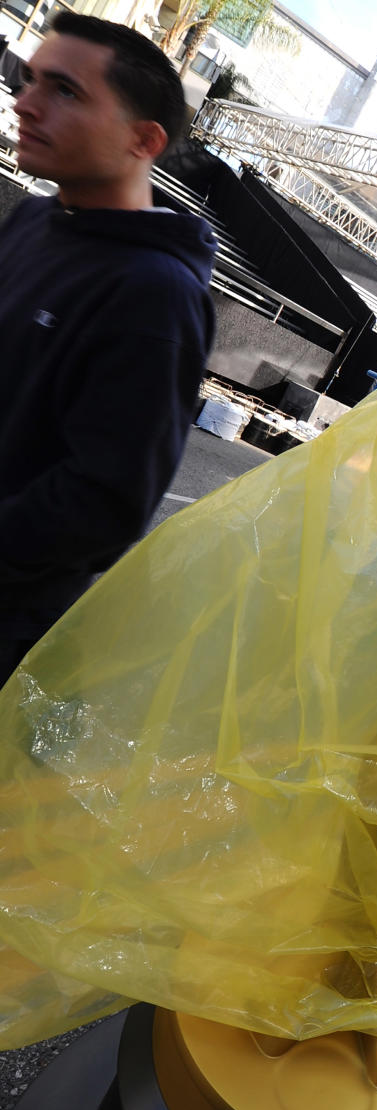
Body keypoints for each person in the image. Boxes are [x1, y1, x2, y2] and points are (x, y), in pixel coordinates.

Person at [0, 12, 216, 684]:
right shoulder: (37, 216)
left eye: (64, 91)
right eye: (31, 79)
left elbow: (105, 502)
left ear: (142, 140)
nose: (25, 102)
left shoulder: (157, 293)